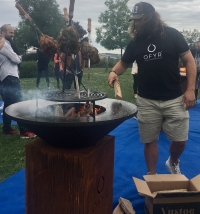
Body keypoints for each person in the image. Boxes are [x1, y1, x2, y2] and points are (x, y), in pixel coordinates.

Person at [108, 2, 196, 175]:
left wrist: (190, 89)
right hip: (147, 100)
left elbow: (189, 61)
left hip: (174, 97)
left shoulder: (172, 35)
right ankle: (152, 175)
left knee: (180, 140)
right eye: (134, 20)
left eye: (139, 20)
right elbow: (123, 63)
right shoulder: (135, 43)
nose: (136, 23)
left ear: (150, 18)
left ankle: (173, 161)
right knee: (150, 141)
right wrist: (113, 71)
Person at [0, 24, 36, 138]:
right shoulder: (5, 44)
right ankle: (24, 130)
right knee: (19, 103)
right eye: (11, 33)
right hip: (10, 78)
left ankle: (6, 129)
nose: (13, 35)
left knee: (8, 104)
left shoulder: (3, 44)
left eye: (13, 33)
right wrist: (19, 57)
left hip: (4, 78)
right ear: (3, 33)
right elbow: (16, 59)